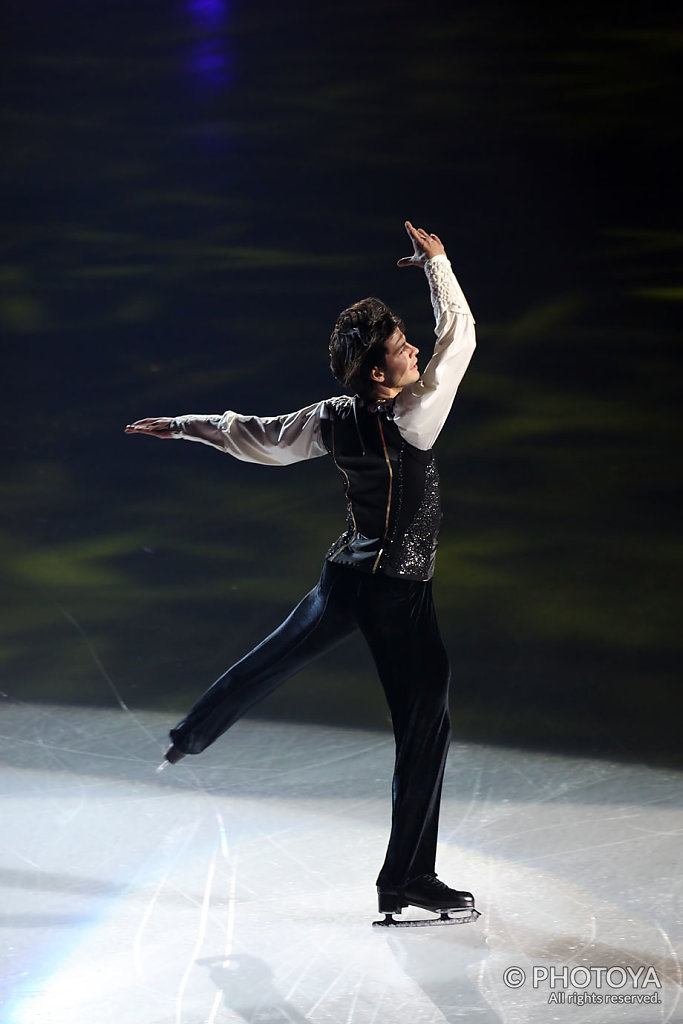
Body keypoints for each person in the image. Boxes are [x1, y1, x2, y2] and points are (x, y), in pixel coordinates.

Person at [126, 220, 478, 923]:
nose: (416, 350)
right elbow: (460, 337)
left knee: (271, 660)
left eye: (410, 342)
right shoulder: (413, 417)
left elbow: (255, 436)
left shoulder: (333, 414)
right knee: (424, 725)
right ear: (380, 372)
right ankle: (406, 877)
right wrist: (439, 265)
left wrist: (184, 422)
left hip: (345, 574)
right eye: (402, 348)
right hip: (396, 593)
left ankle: (188, 736)